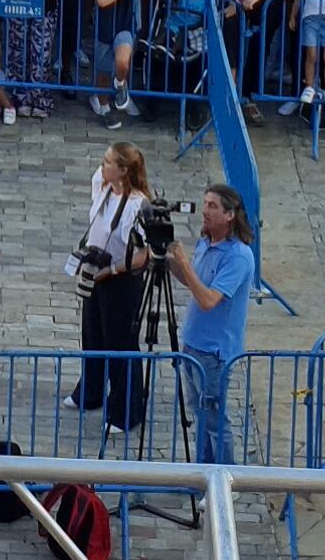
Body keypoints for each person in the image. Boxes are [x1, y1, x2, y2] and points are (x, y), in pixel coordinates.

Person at [171, 179, 258, 465]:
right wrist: (167, 260)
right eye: (205, 203)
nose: (205, 211)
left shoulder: (238, 257)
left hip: (215, 352)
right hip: (192, 343)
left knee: (216, 421)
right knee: (200, 414)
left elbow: (209, 300)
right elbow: (192, 282)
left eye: (212, 206)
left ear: (230, 214)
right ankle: (202, 473)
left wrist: (184, 264)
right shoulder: (206, 242)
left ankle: (224, 479)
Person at [69, 141, 154, 434]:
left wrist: (113, 269)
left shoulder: (137, 205)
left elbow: (145, 254)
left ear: (122, 170)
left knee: (121, 342)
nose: (101, 166)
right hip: (97, 270)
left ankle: (125, 409)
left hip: (122, 279)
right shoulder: (103, 186)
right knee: (92, 333)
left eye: (108, 162)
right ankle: (90, 392)